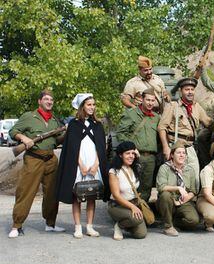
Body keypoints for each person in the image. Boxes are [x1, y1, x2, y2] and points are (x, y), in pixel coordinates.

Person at [8, 90, 65, 238]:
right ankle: (16, 225)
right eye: (46, 99)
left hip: (51, 159)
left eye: (51, 100)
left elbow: (57, 140)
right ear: (39, 101)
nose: (49, 102)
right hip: (34, 158)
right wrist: (23, 138)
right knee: (25, 192)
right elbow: (13, 131)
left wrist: (67, 133)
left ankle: (50, 224)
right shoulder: (29, 116)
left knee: (52, 194)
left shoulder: (55, 120)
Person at [55, 93, 109, 238]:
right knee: (77, 196)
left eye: (93, 104)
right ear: (82, 106)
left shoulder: (98, 125)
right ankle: (78, 227)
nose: (92, 107)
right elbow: (72, 148)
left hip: (93, 163)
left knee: (92, 195)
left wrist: (96, 163)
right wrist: (81, 165)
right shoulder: (73, 124)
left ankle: (89, 226)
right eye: (89, 104)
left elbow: (101, 147)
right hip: (79, 164)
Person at [158, 77, 212, 188]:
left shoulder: (197, 107)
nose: (190, 92)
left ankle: (191, 202)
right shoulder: (172, 106)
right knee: (173, 179)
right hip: (175, 147)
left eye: (192, 89)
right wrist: (166, 148)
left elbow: (208, 122)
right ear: (180, 91)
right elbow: (162, 127)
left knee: (194, 178)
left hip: (190, 148)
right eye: (187, 89)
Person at [117, 88, 160, 202]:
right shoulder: (132, 114)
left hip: (150, 157)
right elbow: (121, 133)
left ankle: (142, 211)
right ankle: (129, 211)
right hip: (134, 156)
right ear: (142, 99)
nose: (150, 103)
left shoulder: (156, 118)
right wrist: (131, 149)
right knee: (131, 184)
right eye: (148, 100)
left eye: (153, 100)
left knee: (146, 187)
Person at [156, 141, 199, 236]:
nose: (182, 155)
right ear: (172, 155)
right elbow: (161, 187)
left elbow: (193, 191)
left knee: (194, 221)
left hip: (183, 201)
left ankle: (173, 221)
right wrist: (178, 188)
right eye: (178, 153)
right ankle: (168, 226)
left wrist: (183, 200)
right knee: (165, 195)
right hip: (168, 201)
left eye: (184, 153)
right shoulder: (164, 168)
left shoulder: (190, 170)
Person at [107, 141, 147, 240]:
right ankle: (119, 225)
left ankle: (128, 224)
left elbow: (139, 159)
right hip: (117, 205)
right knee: (137, 219)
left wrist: (137, 153)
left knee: (141, 234)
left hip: (133, 203)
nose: (131, 156)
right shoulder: (114, 171)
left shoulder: (136, 167)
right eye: (127, 153)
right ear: (120, 155)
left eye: (133, 153)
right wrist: (133, 207)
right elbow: (116, 195)